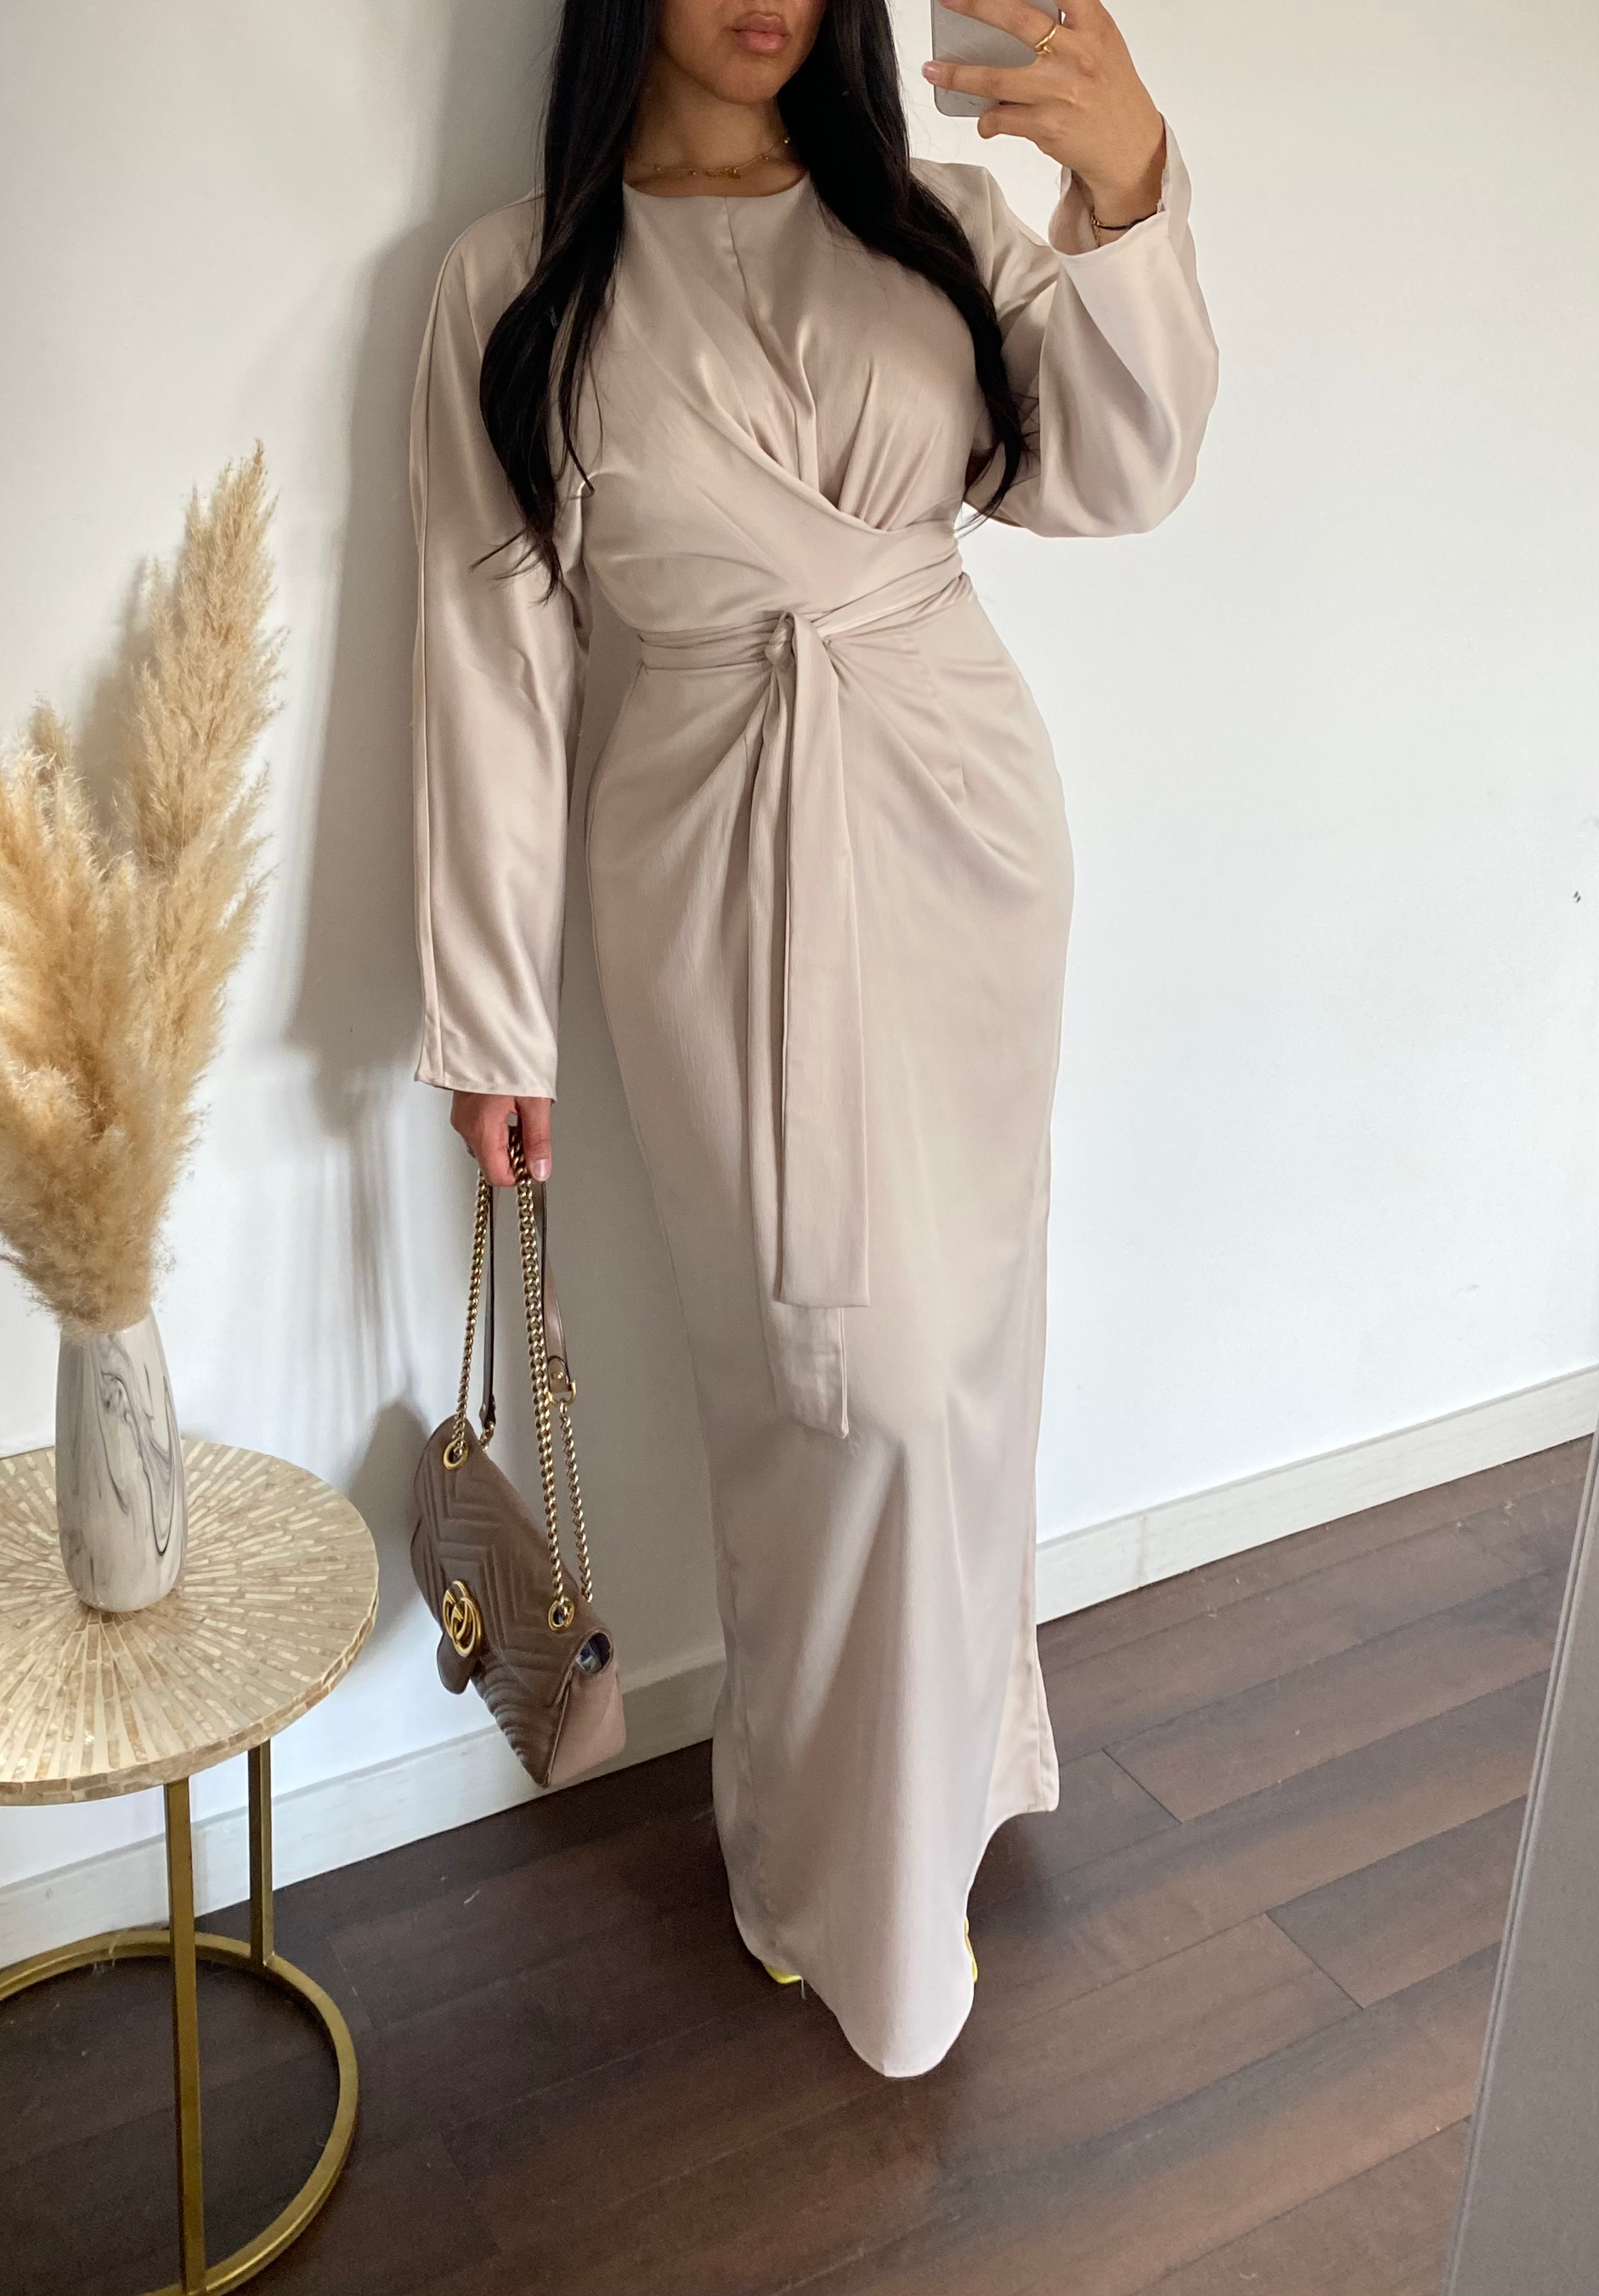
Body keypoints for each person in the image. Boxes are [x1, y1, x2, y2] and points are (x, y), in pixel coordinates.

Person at [409, 0, 1216, 2077]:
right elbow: (489, 651)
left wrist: (1123, 181)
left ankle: (958, 1774)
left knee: (962, 1368)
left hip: (961, 828)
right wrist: (492, 1015)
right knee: (830, 1389)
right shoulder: (517, 278)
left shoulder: (937, 224)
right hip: (708, 866)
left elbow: (1120, 471)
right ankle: (826, 1873)